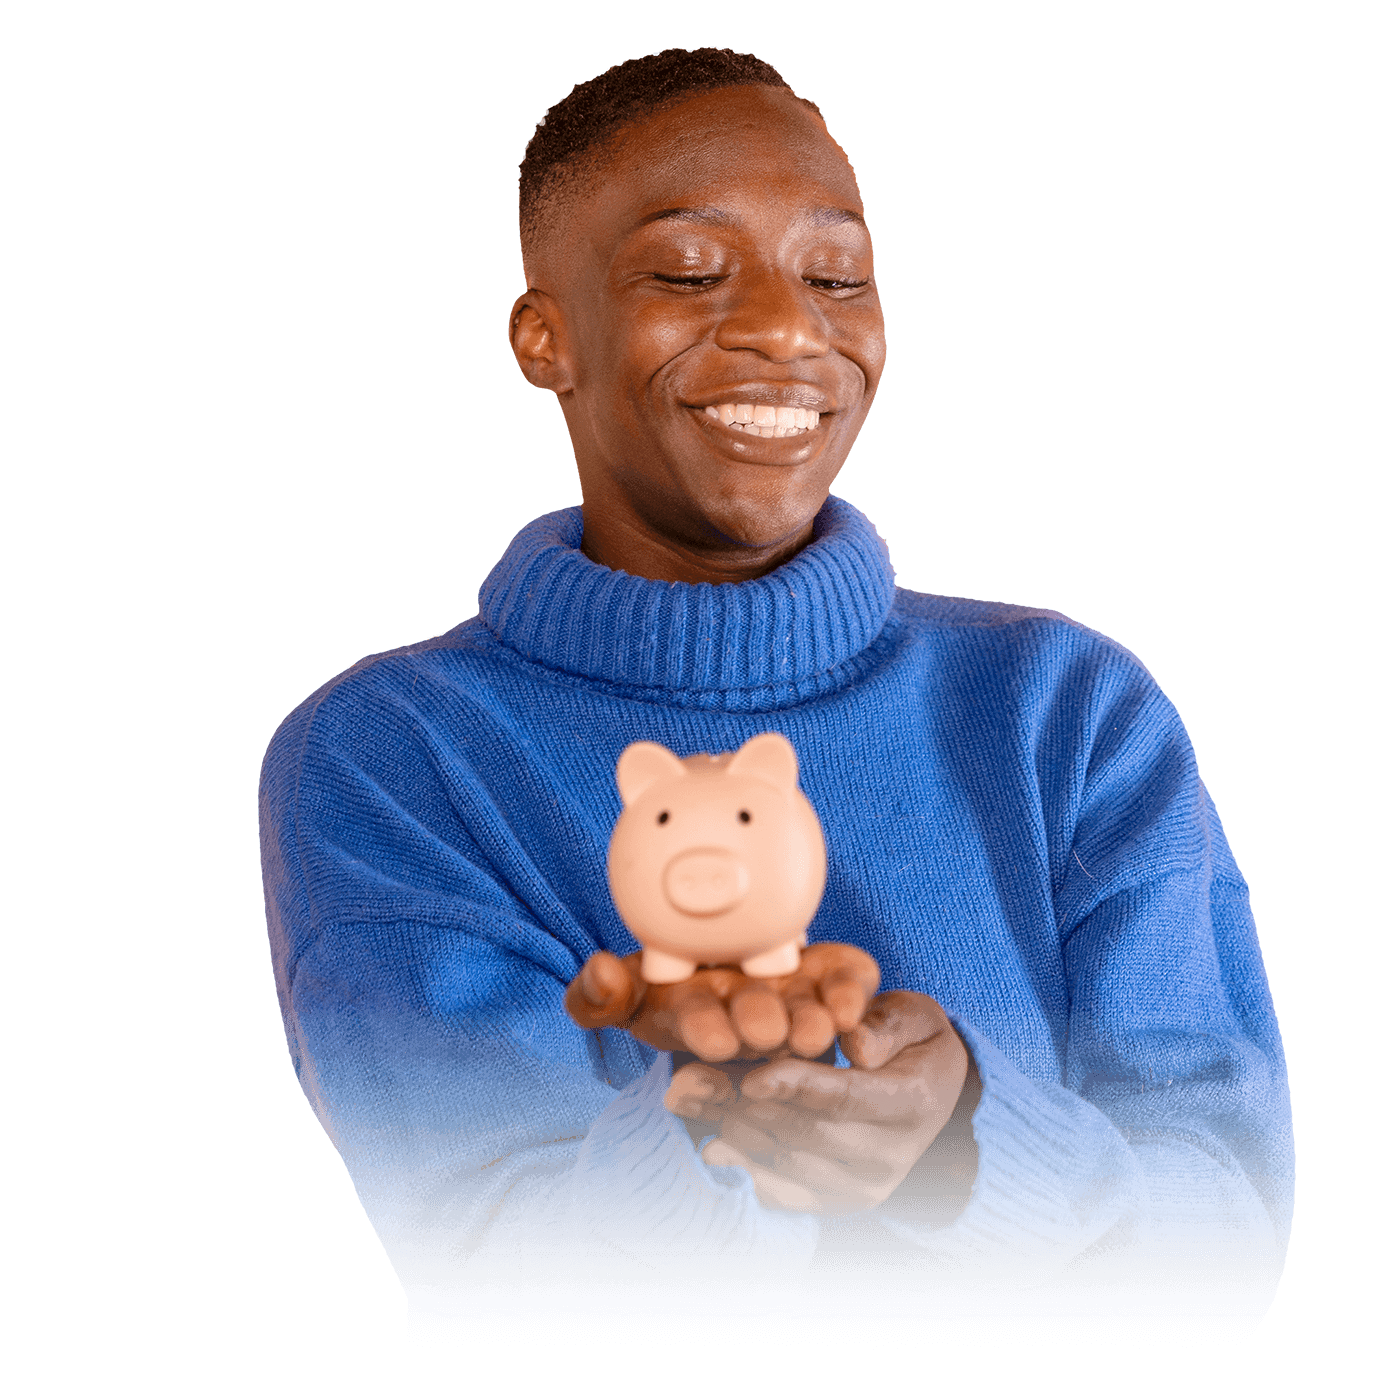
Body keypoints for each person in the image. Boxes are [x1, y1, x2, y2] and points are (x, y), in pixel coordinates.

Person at [258, 48, 1293, 1335]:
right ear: (544, 336)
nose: (784, 328)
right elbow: (486, 1268)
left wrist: (964, 1151)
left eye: (836, 275)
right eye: (689, 271)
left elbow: (1224, 1243)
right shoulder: (390, 755)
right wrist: (715, 1125)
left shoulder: (1065, 708)